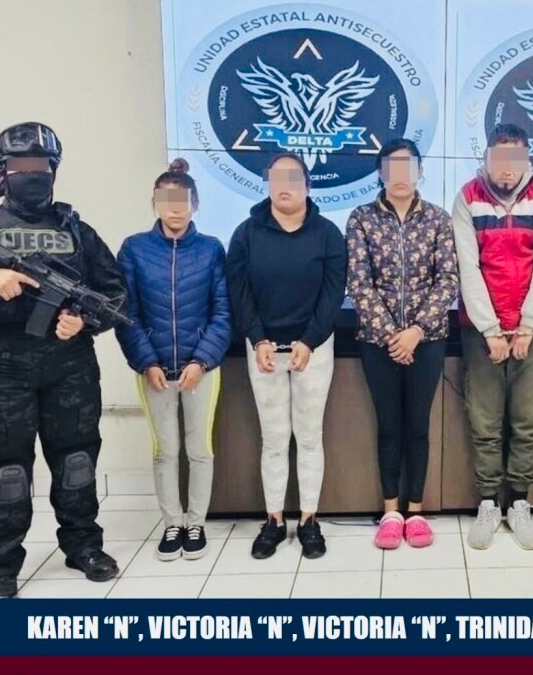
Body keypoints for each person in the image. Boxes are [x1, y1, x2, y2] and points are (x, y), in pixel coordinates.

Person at [0, 122, 127, 598]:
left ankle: (83, 546)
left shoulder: (77, 231)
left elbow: (115, 295)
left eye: (42, 165)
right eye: (22, 166)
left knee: (77, 462)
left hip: (69, 368)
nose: (34, 174)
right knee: (7, 473)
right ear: (1, 173)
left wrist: (84, 321)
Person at [227, 153, 346, 560]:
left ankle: (309, 520)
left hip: (313, 348)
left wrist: (309, 341)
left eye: (294, 178)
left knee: (309, 437)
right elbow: (239, 292)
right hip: (264, 349)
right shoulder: (246, 234)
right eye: (277, 178)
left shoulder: (328, 234)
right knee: (274, 439)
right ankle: (274, 520)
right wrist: (257, 338)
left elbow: (332, 294)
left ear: (307, 186)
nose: (285, 185)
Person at [115, 159, 231, 562]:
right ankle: (171, 523)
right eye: (166, 200)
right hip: (154, 370)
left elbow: (222, 313)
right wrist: (146, 361)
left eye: (182, 200)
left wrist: (202, 360)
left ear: (194, 203)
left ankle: (195, 523)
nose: (175, 208)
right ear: (155, 204)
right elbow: (126, 313)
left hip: (202, 370)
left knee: (199, 450)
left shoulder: (212, 249)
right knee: (165, 451)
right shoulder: (134, 249)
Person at [346, 138, 459, 550]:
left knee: (418, 426)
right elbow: (359, 283)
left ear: (420, 172)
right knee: (389, 426)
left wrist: (416, 331)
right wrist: (393, 335)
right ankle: (391, 511)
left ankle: (416, 511)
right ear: (381, 173)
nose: (400, 176)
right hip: (378, 342)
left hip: (427, 341)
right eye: (392, 167)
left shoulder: (438, 219)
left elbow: (448, 279)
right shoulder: (361, 219)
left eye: (408, 167)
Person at [452, 123, 533, 551]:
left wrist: (528, 324)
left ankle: (519, 503)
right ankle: (489, 503)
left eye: (516, 159)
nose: (508, 168)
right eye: (500, 158)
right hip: (482, 330)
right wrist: (491, 329)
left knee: (528, 419)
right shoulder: (467, 197)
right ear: (488, 158)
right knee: (485, 421)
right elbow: (467, 267)